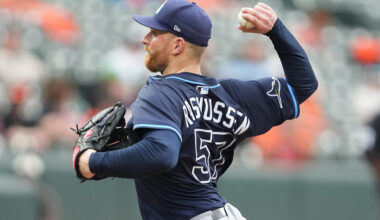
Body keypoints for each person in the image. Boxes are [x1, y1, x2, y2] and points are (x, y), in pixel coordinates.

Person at [76, 0, 318, 219]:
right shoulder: (231, 95)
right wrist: (276, 30)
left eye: (155, 32)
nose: (144, 39)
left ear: (177, 45)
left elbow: (162, 153)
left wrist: (94, 162)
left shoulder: (161, 91)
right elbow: (303, 85)